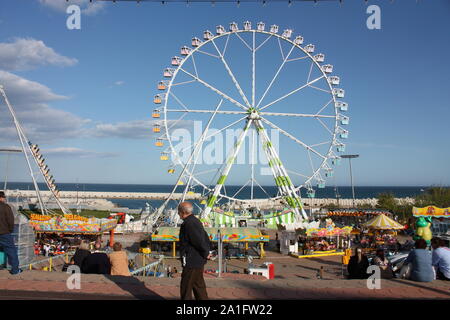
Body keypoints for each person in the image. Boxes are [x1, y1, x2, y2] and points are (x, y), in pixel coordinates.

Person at [178, 202, 212, 300]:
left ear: (183, 212)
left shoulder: (189, 223)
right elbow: (205, 238)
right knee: (198, 286)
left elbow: (198, 241)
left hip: (192, 260)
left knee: (186, 287)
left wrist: (206, 253)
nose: (178, 213)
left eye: (178, 211)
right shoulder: (195, 221)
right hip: (198, 260)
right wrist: (206, 252)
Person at [0, 191, 21, 275]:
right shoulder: (5, 207)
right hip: (4, 232)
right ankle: (15, 270)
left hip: (4, 232)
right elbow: (10, 220)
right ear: (1, 198)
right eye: (4, 197)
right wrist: (10, 230)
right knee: (11, 250)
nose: (4, 199)